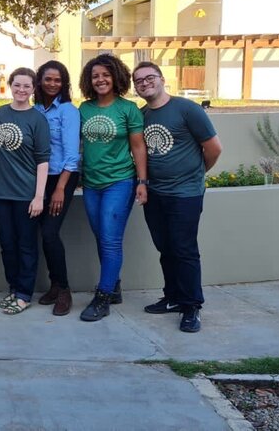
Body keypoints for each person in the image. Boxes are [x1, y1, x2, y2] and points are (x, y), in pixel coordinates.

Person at [133, 61, 222, 333]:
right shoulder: (142, 115)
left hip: (186, 193)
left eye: (150, 77)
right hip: (155, 192)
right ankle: (172, 296)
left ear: (161, 79)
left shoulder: (187, 109)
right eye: (139, 81)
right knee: (165, 247)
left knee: (184, 249)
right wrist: (144, 183)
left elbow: (214, 148)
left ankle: (191, 305)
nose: (145, 83)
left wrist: (196, 173)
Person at [77, 53, 147, 322]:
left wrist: (142, 182)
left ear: (116, 77)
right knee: (102, 236)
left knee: (110, 238)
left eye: (105, 74)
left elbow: (138, 147)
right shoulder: (84, 109)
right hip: (92, 184)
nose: (100, 79)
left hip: (120, 181)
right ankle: (114, 285)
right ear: (89, 80)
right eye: (95, 76)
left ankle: (103, 296)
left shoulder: (127, 109)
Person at [0, 68, 50, 315]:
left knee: (26, 245)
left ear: (33, 89)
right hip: (0, 194)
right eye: (17, 85)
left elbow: (43, 160)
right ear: (10, 86)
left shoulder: (38, 119)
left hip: (26, 194)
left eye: (27, 86)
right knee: (7, 245)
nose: (21, 90)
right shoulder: (1, 113)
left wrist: (39, 196)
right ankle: (13, 288)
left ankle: (24, 294)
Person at [33, 60, 81, 316]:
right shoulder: (36, 110)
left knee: (51, 233)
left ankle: (64, 290)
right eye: (48, 79)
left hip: (62, 176)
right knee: (42, 233)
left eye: (58, 80)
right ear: (39, 80)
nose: (52, 84)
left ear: (64, 84)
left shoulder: (68, 111)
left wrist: (60, 188)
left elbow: (72, 155)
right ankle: (53, 285)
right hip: (39, 177)